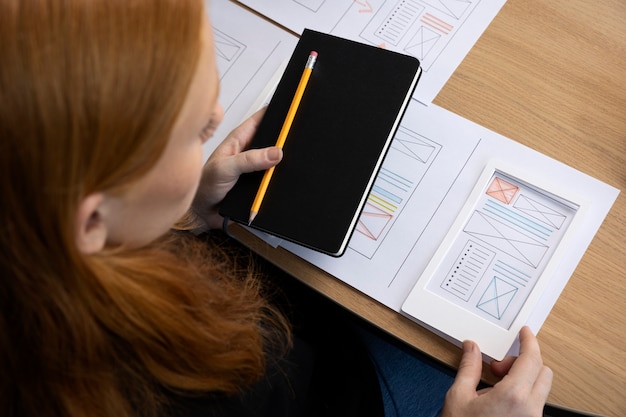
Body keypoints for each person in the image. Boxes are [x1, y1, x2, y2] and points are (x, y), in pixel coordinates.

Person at [0, 0, 552, 416]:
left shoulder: (40, 238)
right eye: (196, 131)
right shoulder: (147, 389)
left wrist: (189, 215)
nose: (220, 116)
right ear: (91, 220)